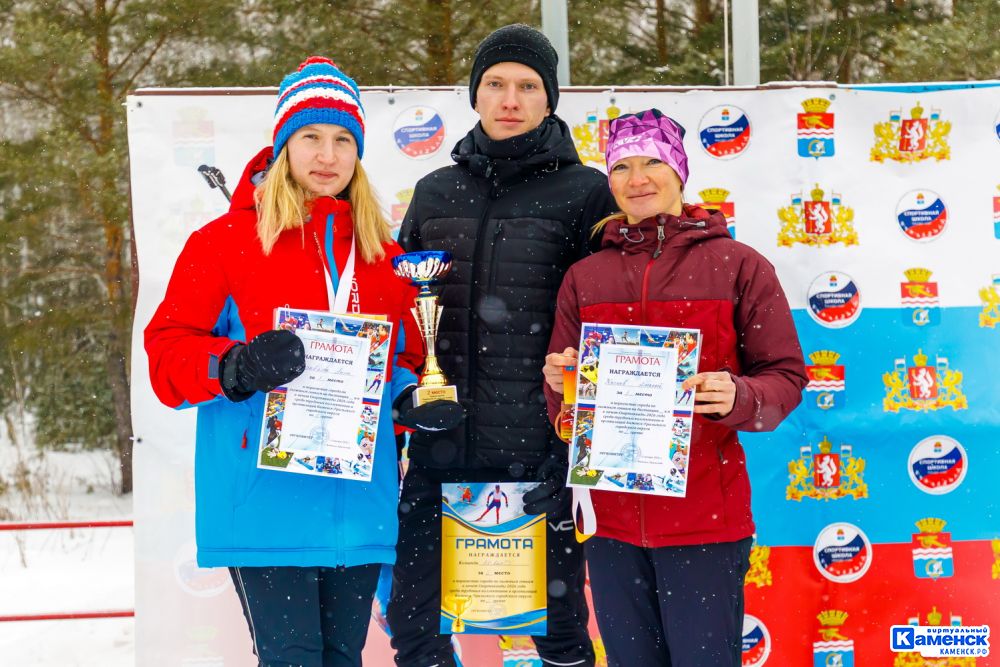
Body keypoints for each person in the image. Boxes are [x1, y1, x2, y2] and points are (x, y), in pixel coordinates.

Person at [144, 56, 450, 667]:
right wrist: (236, 367)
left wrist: (410, 400)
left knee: (343, 657)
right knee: (292, 658)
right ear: (283, 145)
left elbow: (400, 362)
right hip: (265, 503)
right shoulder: (224, 243)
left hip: (359, 503)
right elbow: (167, 354)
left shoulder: (381, 253)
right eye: (310, 136)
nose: (327, 156)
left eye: (342, 140)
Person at [542, 109, 807, 666]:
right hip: (611, 526)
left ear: (680, 172)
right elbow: (565, 409)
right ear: (608, 181)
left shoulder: (739, 265)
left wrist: (741, 397)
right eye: (622, 166)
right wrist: (564, 391)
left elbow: (784, 377)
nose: (637, 179)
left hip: (704, 521)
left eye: (652, 163)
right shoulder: (585, 277)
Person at [387, 23, 616, 667]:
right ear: (474, 95)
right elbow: (405, 313)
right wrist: (410, 405)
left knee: (559, 627)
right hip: (442, 447)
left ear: (550, 101)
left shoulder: (586, 192)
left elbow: (602, 327)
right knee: (415, 625)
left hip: (538, 455)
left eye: (527, 86)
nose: (509, 99)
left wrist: (569, 451)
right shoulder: (435, 191)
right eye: (495, 84)